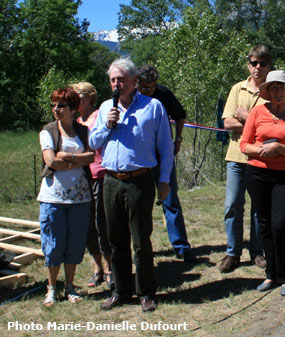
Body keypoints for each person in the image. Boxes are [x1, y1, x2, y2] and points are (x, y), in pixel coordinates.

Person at [90, 57, 174, 312]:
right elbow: (94, 143)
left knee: (140, 239)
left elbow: (166, 148)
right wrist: (107, 125)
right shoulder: (106, 108)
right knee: (115, 240)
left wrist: (164, 181)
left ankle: (146, 292)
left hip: (140, 180)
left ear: (134, 81)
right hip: (111, 181)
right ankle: (121, 290)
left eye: (121, 79)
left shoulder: (153, 106)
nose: (116, 84)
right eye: (113, 80)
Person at [240, 70, 285, 297]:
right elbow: (244, 145)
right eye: (274, 88)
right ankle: (271, 274)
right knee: (265, 224)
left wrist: (278, 148)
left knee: (279, 224)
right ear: (268, 91)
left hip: (284, 176)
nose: (278, 92)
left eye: (282, 87)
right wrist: (263, 150)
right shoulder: (257, 112)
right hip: (257, 173)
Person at [38, 88, 94, 306]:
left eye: (61, 106)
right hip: (53, 197)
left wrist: (68, 156)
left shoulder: (82, 131)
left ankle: (70, 286)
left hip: (80, 198)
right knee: (53, 243)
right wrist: (77, 160)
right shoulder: (48, 131)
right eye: (53, 105)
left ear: (73, 109)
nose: (56, 109)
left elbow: (91, 157)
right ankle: (51, 288)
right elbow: (52, 161)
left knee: (75, 243)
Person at [220, 45, 272, 273]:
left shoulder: (272, 92)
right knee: (232, 206)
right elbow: (227, 123)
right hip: (236, 158)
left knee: (258, 208)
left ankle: (257, 252)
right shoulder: (237, 89)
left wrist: (246, 117)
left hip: (260, 159)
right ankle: (233, 253)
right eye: (253, 62)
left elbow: (271, 128)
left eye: (262, 63)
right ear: (248, 64)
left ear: (269, 66)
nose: (257, 67)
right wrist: (254, 122)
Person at [137, 65, 193, 262]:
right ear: (136, 83)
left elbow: (180, 115)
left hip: (163, 156)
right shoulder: (130, 97)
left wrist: (178, 139)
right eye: (145, 87)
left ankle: (181, 246)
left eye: (152, 87)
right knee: (140, 205)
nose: (149, 92)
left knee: (170, 200)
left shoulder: (163, 93)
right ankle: (141, 249)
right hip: (140, 158)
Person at [72, 82, 112, 289]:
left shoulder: (99, 116)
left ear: (90, 98)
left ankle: (109, 266)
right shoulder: (77, 121)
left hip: (101, 176)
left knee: (102, 224)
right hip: (83, 178)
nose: (76, 101)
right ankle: (97, 266)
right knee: (87, 227)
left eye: (80, 97)